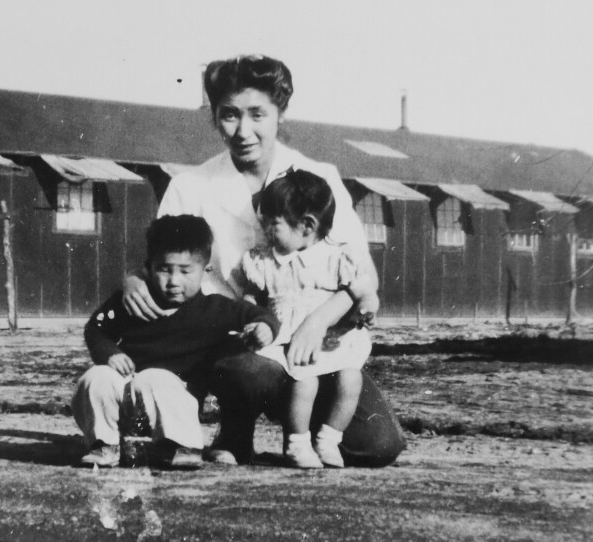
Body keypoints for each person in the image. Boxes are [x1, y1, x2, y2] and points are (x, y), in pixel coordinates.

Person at [122, 54, 406, 466]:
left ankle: (308, 430)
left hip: (319, 342)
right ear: (214, 117)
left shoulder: (317, 176)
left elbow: (361, 274)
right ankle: (236, 431)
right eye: (229, 115)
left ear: (280, 114)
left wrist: (317, 321)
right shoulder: (192, 186)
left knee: (376, 445)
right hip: (243, 346)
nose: (243, 131)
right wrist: (133, 280)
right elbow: (156, 259)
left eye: (258, 114)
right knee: (245, 369)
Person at [72, 215, 280, 468]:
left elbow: (260, 314)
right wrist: (110, 354)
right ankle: (105, 444)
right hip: (126, 391)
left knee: (156, 378)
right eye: (164, 269)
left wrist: (264, 327)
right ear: (148, 267)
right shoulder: (133, 302)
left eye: (185, 271)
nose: (173, 281)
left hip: (176, 398)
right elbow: (97, 328)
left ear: (206, 271)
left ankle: (182, 446)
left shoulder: (214, 309)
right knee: (96, 377)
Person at [237, 169, 380, 468]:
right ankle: (297, 442)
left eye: (272, 223)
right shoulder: (265, 262)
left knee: (350, 378)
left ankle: (329, 440)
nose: (265, 229)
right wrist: (250, 317)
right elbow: (253, 297)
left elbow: (363, 290)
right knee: (305, 381)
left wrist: (368, 308)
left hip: (331, 340)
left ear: (307, 226)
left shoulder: (338, 258)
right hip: (288, 340)